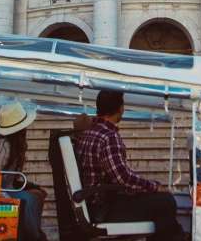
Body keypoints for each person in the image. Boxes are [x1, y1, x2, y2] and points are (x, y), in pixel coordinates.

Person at [76, 90, 183, 241]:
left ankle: (177, 234)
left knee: (160, 206)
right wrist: (154, 186)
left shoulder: (88, 132)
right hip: (105, 208)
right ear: (120, 108)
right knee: (166, 201)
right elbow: (123, 178)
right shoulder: (108, 136)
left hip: (94, 203)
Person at [0, 101, 47, 241]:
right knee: (29, 199)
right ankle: (34, 236)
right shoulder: (3, 145)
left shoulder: (11, 143)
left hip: (8, 184)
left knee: (38, 193)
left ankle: (33, 231)